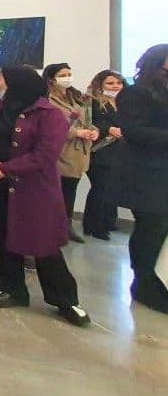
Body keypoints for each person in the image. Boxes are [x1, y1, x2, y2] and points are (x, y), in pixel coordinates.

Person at [0, 66, 90, 327]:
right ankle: (12, 288)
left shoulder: (49, 114)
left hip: (32, 190)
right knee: (5, 237)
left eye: (2, 81)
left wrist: (5, 169)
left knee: (44, 245)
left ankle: (65, 299)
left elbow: (45, 155)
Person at [109, 44, 168, 314]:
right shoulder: (135, 92)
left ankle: (156, 279)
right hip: (144, 173)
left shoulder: (163, 89)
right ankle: (143, 281)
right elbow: (134, 131)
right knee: (150, 227)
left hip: (161, 170)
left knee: (160, 229)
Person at [43, 63, 100, 243]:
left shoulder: (76, 97)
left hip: (78, 151)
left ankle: (66, 226)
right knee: (56, 191)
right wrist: (75, 132)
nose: (68, 77)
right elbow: (49, 125)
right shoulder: (47, 99)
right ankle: (52, 228)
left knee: (70, 190)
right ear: (52, 78)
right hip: (60, 151)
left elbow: (87, 119)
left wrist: (93, 130)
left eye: (69, 73)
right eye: (63, 74)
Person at [83, 70, 125, 240]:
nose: (115, 86)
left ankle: (108, 221)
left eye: (118, 83)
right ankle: (93, 225)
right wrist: (108, 129)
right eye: (110, 83)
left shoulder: (125, 102)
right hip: (99, 151)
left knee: (110, 189)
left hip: (119, 152)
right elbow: (89, 122)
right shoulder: (91, 101)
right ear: (100, 85)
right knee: (99, 188)